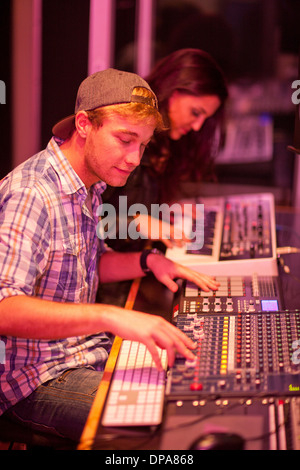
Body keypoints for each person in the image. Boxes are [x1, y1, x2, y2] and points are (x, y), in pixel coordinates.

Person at [0, 68, 219, 443]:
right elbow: (5, 309)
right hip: (31, 380)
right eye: (125, 139)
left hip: (79, 354)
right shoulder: (33, 194)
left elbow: (90, 262)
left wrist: (149, 261)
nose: (135, 158)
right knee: (174, 425)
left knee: (195, 389)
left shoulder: (88, 182)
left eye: (144, 145)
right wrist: (112, 317)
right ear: (85, 124)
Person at [103, 48, 228, 250]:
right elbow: (85, 221)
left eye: (205, 119)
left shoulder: (165, 142)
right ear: (173, 92)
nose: (197, 126)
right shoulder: (126, 134)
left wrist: (164, 209)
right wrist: (136, 224)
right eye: (195, 112)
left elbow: (127, 205)